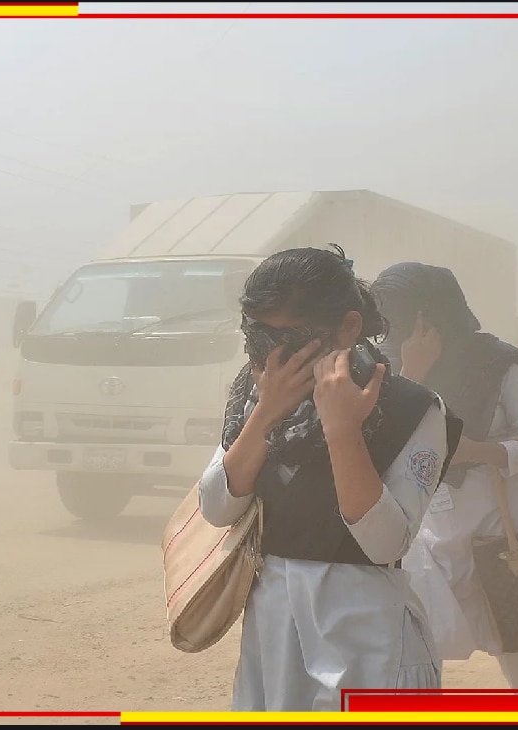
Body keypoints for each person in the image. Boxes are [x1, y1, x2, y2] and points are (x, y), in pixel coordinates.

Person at [199, 246, 462, 712]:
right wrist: (266, 413)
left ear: (348, 327)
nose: (275, 358)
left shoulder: (412, 409)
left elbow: (384, 545)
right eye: (260, 338)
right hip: (274, 638)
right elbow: (218, 507)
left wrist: (343, 431)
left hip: (367, 646)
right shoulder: (254, 396)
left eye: (295, 340)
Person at [371, 262, 518, 689]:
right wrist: (415, 371)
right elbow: (380, 442)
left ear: (429, 315)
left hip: (507, 525)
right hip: (428, 531)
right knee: (415, 647)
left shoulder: (500, 364)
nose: (391, 329)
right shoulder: (383, 368)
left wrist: (477, 452)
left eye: (402, 316)